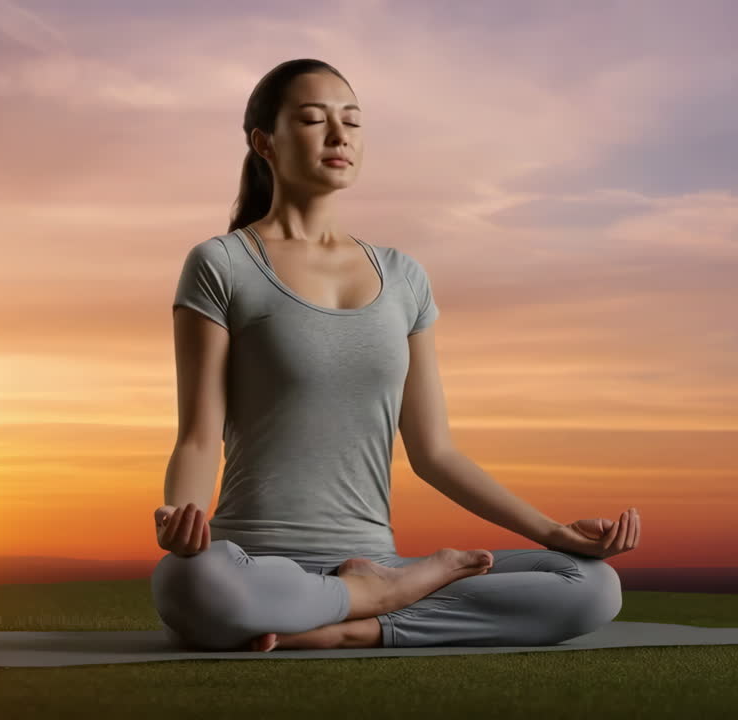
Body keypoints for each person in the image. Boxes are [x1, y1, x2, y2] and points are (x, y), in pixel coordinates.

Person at [151, 59, 640, 652]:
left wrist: (555, 532)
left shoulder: (403, 277)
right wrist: (182, 519)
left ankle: (361, 621)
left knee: (591, 586)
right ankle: (377, 600)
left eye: (352, 123)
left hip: (375, 558)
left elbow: (435, 453)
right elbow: (199, 437)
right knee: (188, 584)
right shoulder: (221, 264)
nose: (339, 136)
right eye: (313, 120)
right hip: (255, 562)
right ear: (265, 143)